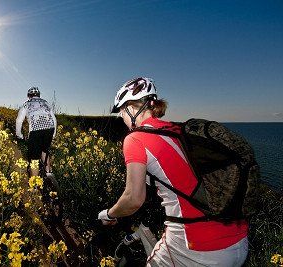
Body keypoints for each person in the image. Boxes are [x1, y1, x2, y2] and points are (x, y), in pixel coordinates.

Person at [98, 77, 248, 267]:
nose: (122, 118)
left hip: (195, 247)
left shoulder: (135, 139)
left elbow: (133, 198)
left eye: (121, 112)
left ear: (132, 108)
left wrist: (110, 214)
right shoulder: (177, 130)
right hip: (239, 240)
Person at [15, 86, 57, 177]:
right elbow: (54, 119)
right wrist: (53, 134)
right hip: (50, 128)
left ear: (29, 96)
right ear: (39, 95)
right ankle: (48, 172)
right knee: (45, 150)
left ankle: (34, 185)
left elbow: (19, 121)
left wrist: (19, 135)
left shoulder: (26, 104)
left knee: (34, 159)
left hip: (35, 130)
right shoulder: (45, 102)